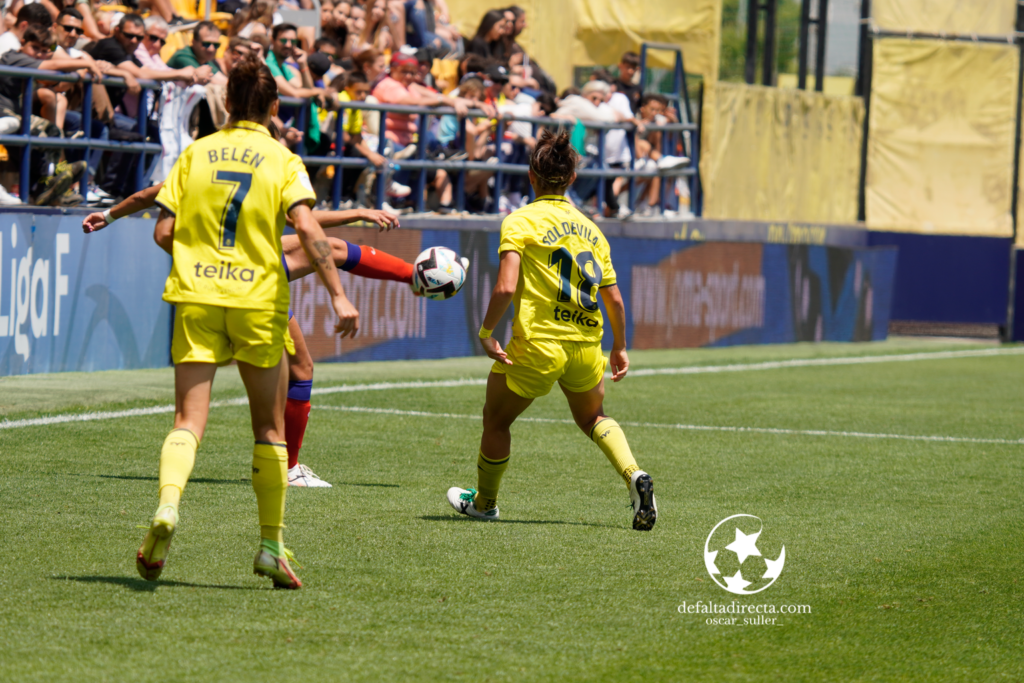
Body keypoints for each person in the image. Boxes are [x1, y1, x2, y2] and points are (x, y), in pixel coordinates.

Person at [134, 54, 352, 589]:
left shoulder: (195, 155)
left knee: (188, 419)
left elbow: (163, 233)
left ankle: (167, 508)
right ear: (275, 107)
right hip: (257, 301)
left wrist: (199, 253)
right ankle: (271, 547)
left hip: (198, 296)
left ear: (226, 102)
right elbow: (308, 230)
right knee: (269, 428)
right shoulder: (282, 160)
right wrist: (339, 295)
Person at [82, 185, 420, 489]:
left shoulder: (199, 161)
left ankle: (170, 499)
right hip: (250, 280)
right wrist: (338, 293)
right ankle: (283, 481)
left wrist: (109, 216)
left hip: (203, 281)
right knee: (296, 374)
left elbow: (149, 202)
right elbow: (304, 222)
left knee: (188, 417)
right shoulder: (265, 165)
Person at [446, 128, 657, 531]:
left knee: (496, 420)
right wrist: (621, 347)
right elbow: (613, 298)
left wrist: (487, 331)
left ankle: (485, 503)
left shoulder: (520, 220)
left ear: (531, 175)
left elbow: (506, 286)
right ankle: (634, 475)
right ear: (573, 179)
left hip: (539, 343)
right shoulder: (592, 229)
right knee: (593, 417)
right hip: (586, 344)